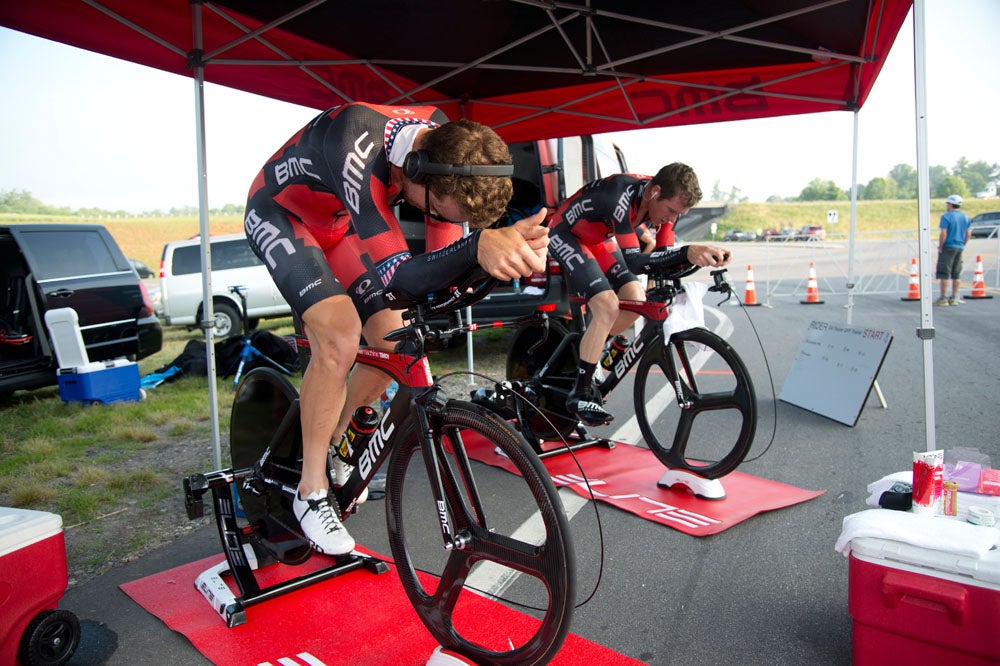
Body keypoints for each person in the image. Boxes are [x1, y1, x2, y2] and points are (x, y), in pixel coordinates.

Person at [244, 103, 548, 555]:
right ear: (416, 170)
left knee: (397, 339)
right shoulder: (357, 142)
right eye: (441, 214)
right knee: (340, 335)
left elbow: (432, 279)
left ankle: (335, 442)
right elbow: (400, 276)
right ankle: (311, 492)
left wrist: (491, 257)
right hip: (283, 213)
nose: (444, 223)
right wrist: (477, 247)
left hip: (341, 222)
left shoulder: (445, 155)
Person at [547, 163, 731, 425]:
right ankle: (581, 391)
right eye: (670, 211)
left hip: (596, 239)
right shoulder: (619, 197)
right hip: (566, 234)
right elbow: (635, 262)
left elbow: (661, 255)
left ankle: (591, 348)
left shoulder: (667, 205)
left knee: (636, 298)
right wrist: (687, 252)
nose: (670, 219)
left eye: (678, 214)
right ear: (654, 193)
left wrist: (697, 259)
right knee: (608, 306)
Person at [934, 194, 972, 306]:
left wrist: (941, 246)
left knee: (944, 273)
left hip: (948, 246)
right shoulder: (965, 217)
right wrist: (963, 244)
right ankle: (955, 296)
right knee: (956, 273)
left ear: (950, 204)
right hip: (959, 246)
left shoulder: (946, 217)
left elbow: (943, 233)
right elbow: (968, 233)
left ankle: (943, 297)